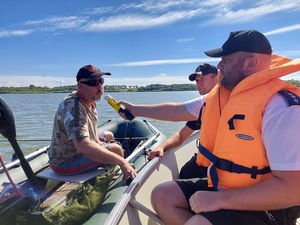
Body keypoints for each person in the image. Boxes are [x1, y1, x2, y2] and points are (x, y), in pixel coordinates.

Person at [119, 30, 300, 225]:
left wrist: (219, 200)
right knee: (163, 195)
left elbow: (293, 190)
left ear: (250, 63)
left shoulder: (282, 108)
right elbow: (178, 110)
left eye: (226, 60)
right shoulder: (222, 95)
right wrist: (136, 109)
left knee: (198, 222)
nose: (219, 66)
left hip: (271, 203)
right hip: (226, 184)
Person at [48, 65, 137, 183]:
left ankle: (108, 162)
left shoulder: (90, 101)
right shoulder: (73, 107)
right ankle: (113, 178)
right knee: (116, 150)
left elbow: (92, 130)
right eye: (92, 82)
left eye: (101, 81)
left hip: (76, 148)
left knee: (109, 135)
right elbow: (83, 146)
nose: (99, 86)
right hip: (65, 163)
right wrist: (123, 162)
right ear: (80, 85)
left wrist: (98, 143)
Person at [147, 63, 218, 179]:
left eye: (202, 79)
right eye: (196, 81)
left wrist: (135, 110)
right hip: (208, 158)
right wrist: (162, 147)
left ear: (216, 78)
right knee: (186, 173)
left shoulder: (220, 101)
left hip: (222, 163)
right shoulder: (203, 107)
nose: (198, 84)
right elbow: (181, 135)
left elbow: (175, 111)